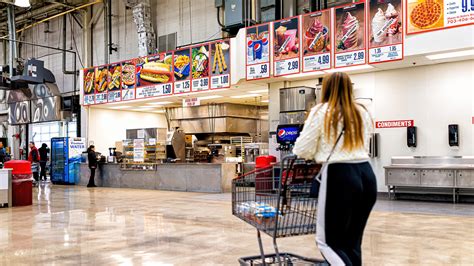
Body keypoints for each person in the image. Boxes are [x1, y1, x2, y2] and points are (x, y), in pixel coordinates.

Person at [293, 72, 376, 266]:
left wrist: (315, 153)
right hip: (366, 174)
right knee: (352, 242)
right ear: (350, 88)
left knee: (327, 243)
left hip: (339, 175)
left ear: (326, 88)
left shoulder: (322, 111)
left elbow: (302, 149)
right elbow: (364, 143)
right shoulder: (362, 111)